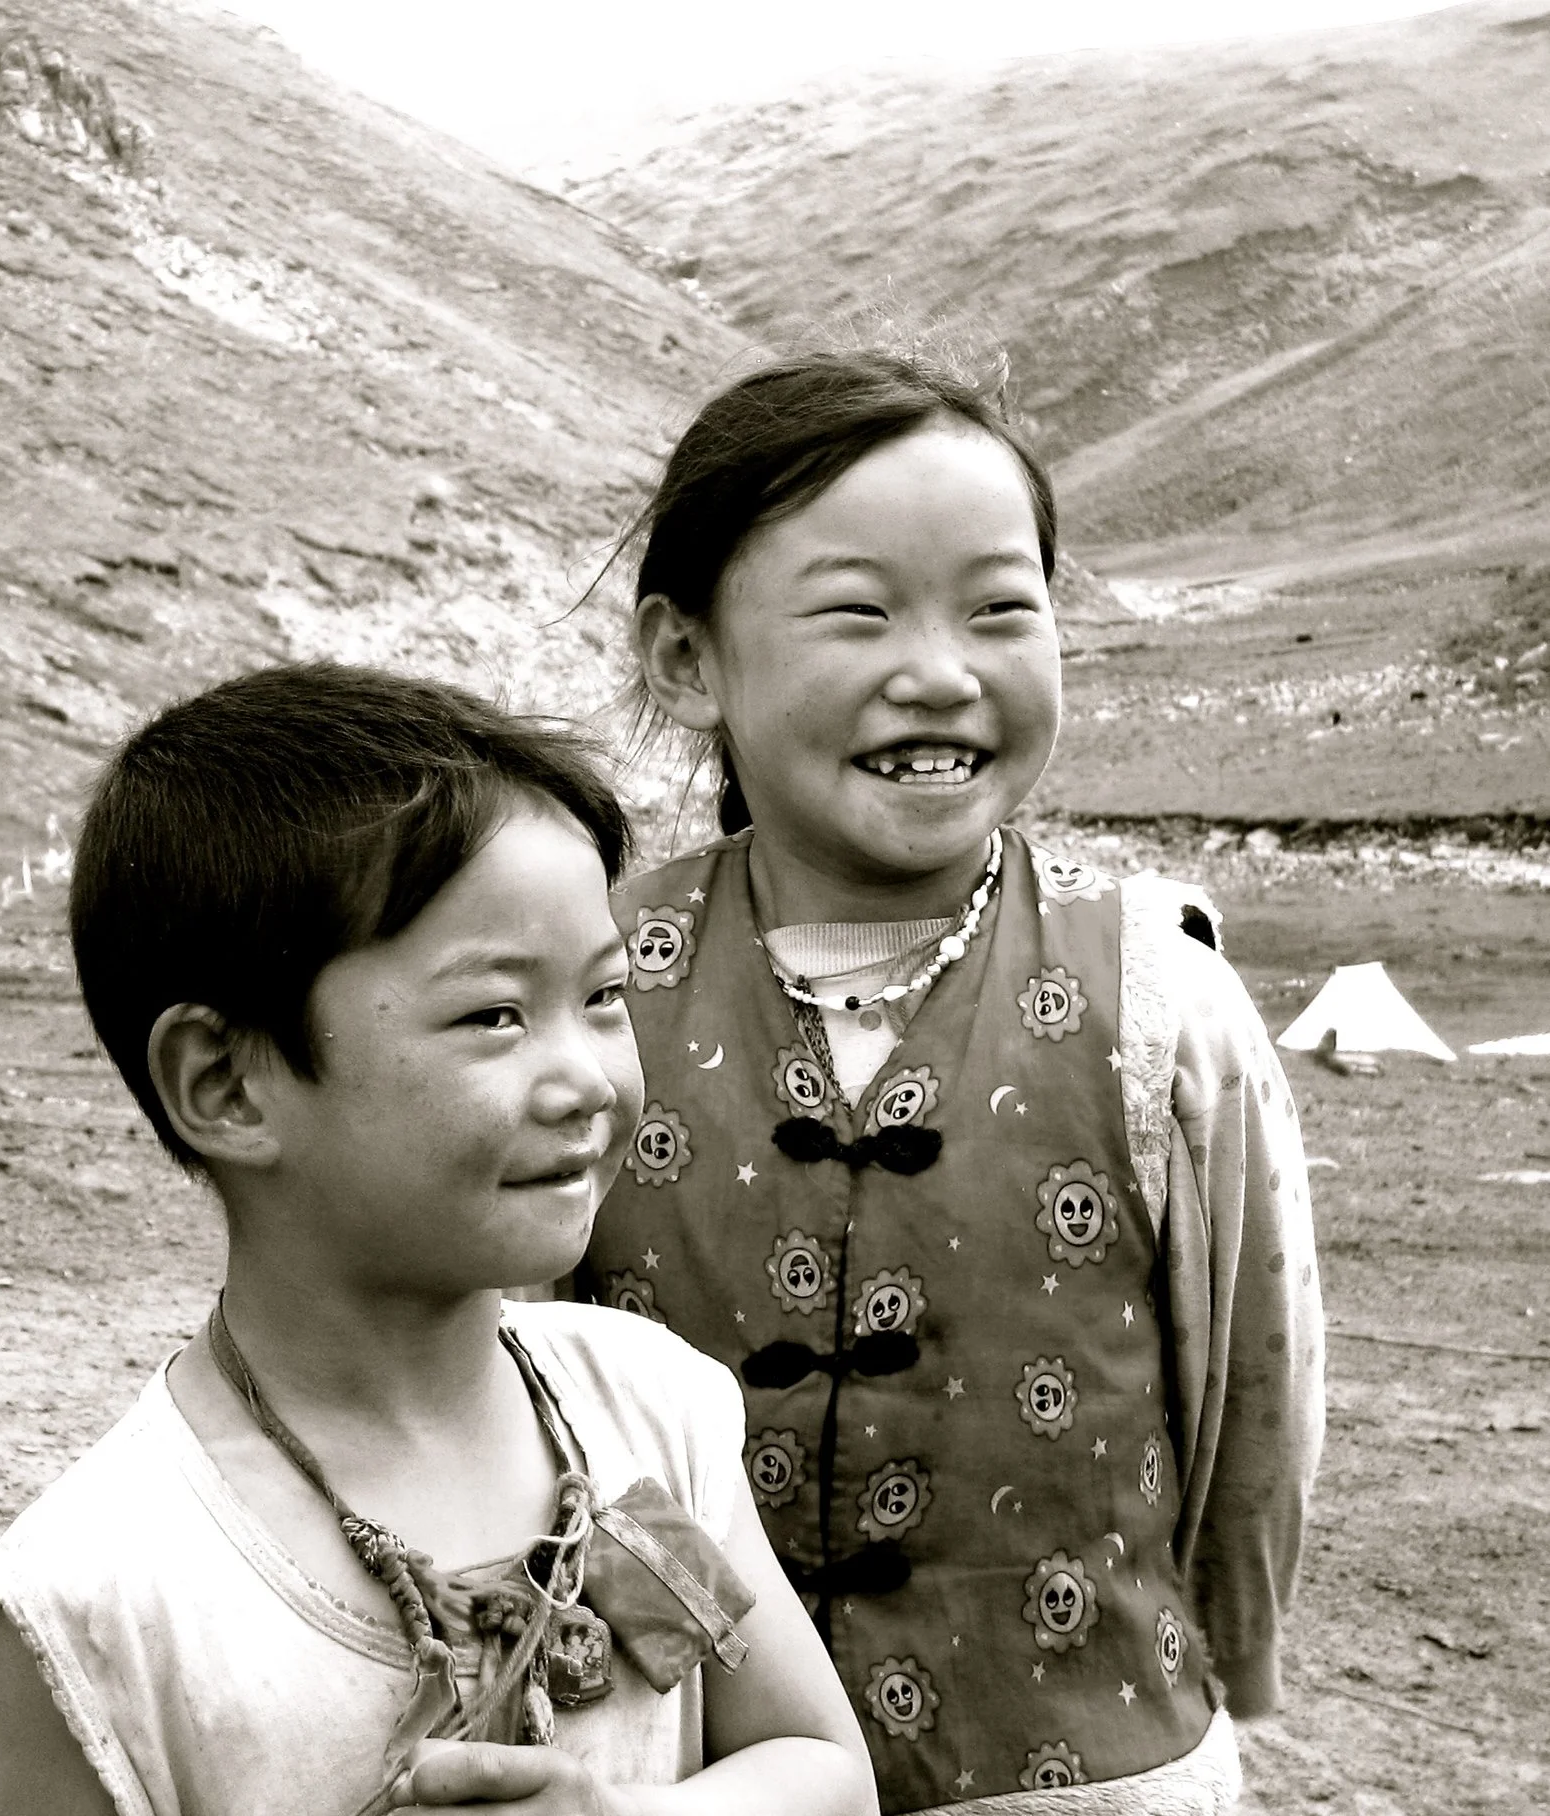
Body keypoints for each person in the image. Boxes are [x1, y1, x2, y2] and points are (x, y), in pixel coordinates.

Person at [581, 346, 1323, 1815]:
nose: (941, 672)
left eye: (1001, 609)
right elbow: (523, 1382)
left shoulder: (1166, 1011)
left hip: (1093, 1778)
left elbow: (1255, 1387)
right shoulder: (587, 984)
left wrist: (1224, 1665)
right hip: (685, 1781)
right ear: (686, 657)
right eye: (858, 612)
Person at [0, 663, 878, 1816]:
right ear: (228, 1085)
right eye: (494, 1013)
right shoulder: (105, 1602)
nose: (587, 1077)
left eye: (602, 995)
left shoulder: (645, 1414)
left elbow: (823, 1766)